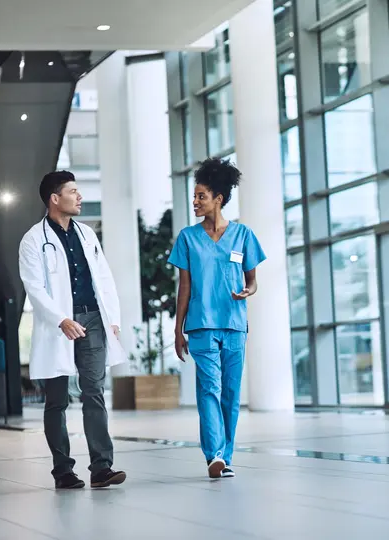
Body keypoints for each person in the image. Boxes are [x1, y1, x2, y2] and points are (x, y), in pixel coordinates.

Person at [19, 170, 127, 490]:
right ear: (55, 198)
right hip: (58, 325)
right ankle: (63, 470)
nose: (79, 197)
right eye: (73, 191)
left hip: (92, 319)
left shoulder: (86, 234)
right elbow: (34, 287)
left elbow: (104, 278)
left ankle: (101, 467)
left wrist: (113, 318)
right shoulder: (33, 240)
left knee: (94, 390)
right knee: (57, 399)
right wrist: (60, 319)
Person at [168, 158, 266, 479]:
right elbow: (185, 285)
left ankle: (227, 454)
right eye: (194, 196)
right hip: (200, 325)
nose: (195, 202)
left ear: (218, 199)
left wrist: (248, 291)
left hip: (235, 325)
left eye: (201, 196)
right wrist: (178, 329)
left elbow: (251, 280)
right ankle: (215, 455)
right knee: (209, 388)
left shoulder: (243, 235)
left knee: (231, 394)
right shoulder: (187, 238)